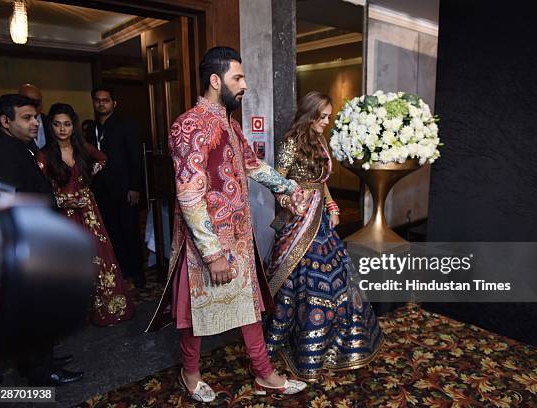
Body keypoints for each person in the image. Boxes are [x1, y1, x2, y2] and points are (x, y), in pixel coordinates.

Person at [146, 46, 307, 402]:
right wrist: (212, 252)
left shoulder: (229, 124)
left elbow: (254, 166)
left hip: (236, 237)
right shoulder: (189, 125)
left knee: (247, 306)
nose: (245, 85)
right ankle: (190, 374)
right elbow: (189, 193)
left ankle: (264, 373)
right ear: (216, 80)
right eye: (238, 77)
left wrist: (290, 186)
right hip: (206, 245)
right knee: (195, 313)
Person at [265, 91, 384, 380]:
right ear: (310, 114)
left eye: (329, 116)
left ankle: (337, 346)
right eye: (324, 116)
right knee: (304, 284)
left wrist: (332, 206)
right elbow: (276, 182)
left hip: (322, 221)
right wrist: (291, 201)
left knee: (338, 281)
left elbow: (321, 182)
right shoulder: (291, 143)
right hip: (300, 221)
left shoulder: (319, 140)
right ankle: (298, 346)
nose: (327, 122)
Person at [0, 94, 83, 386]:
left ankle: (38, 363)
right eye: (26, 118)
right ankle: (41, 374)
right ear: (5, 121)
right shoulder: (2, 151)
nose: (34, 124)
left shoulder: (21, 147)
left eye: (35, 118)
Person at [37, 103, 135, 327]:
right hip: (63, 215)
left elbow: (103, 158)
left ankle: (108, 309)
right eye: (57, 124)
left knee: (100, 258)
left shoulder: (82, 148)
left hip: (89, 211)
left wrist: (87, 179)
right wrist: (63, 199)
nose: (62, 129)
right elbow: (40, 190)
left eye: (67, 124)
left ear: (74, 126)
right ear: (50, 126)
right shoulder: (44, 155)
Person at [85, 87, 145, 288]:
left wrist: (135, 188)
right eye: (97, 100)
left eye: (106, 100)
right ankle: (121, 272)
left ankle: (137, 275)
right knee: (111, 231)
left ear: (114, 103)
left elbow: (135, 159)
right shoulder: (90, 129)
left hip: (125, 188)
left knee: (129, 231)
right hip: (101, 190)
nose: (101, 104)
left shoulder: (126, 125)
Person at [18, 83, 47, 149]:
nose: (35, 105)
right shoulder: (14, 123)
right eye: (30, 101)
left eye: (38, 102)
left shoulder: (49, 121)